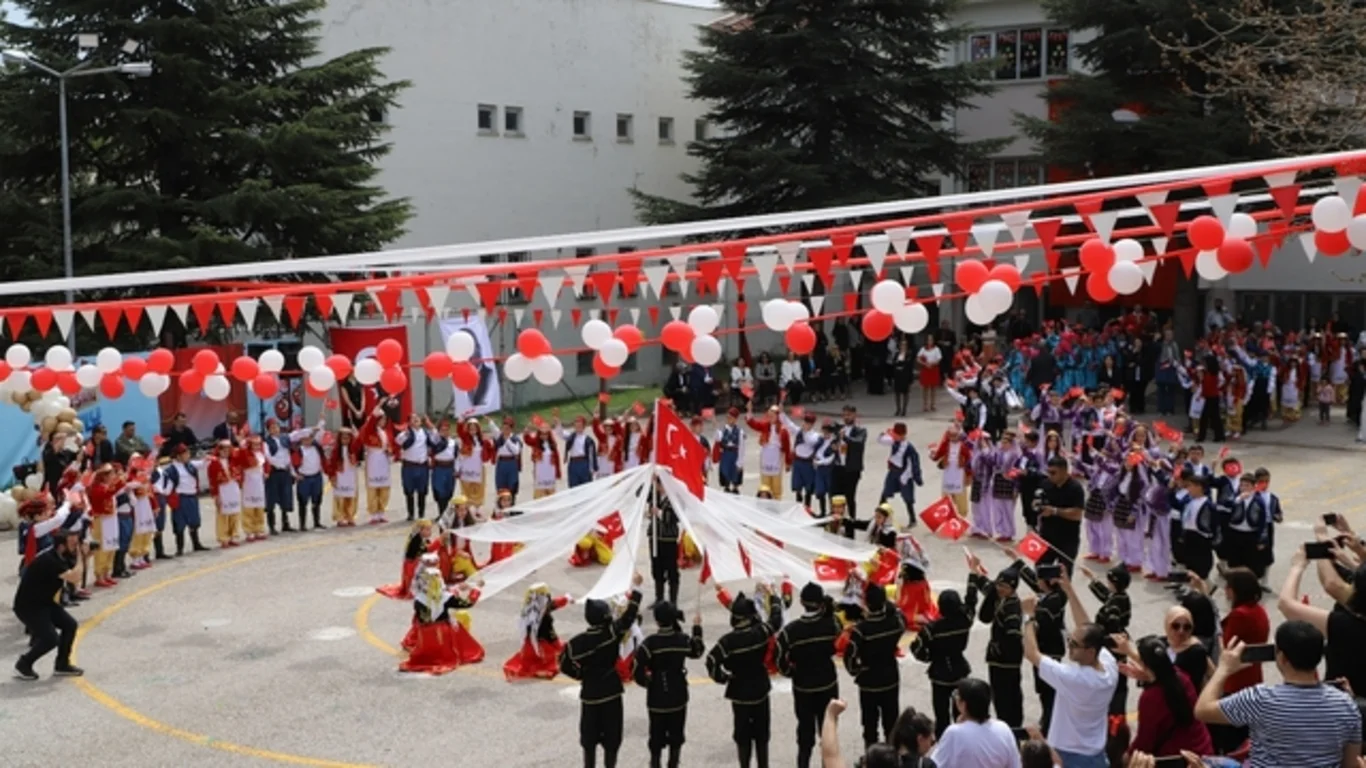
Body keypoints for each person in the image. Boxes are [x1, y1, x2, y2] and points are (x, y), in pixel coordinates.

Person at [1195, 621, 1362, 768]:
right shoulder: (1346, 705)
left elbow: (1202, 710)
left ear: (1281, 658)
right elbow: (1350, 763)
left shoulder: (1260, 698)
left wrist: (1224, 669)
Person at [1023, 572, 1118, 768]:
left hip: (1069, 756)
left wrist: (1028, 617)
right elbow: (1086, 626)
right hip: (1096, 754)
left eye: (1074, 644)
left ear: (1090, 652)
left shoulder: (1075, 678)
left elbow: (1032, 654)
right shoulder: (1109, 666)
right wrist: (1069, 589)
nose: (1069, 646)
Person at [559, 572, 644, 768]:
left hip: (589, 692)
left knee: (589, 740)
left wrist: (581, 674)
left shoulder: (576, 642)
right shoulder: (611, 633)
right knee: (612, 739)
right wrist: (637, 589)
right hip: (612, 691)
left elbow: (564, 663)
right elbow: (629, 616)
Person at [707, 588, 785, 768]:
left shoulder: (727, 641)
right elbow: (776, 620)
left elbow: (711, 662)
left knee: (742, 736)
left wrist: (724, 678)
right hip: (760, 688)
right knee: (762, 735)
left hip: (739, 691)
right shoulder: (759, 633)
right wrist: (773, 597)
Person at [632, 601, 705, 768]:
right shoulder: (682, 640)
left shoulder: (650, 643)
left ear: (657, 621)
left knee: (656, 735)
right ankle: (673, 762)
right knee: (676, 735)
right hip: (678, 692)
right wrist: (697, 629)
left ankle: (655, 763)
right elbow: (697, 651)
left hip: (657, 695)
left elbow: (637, 669)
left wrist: (647, 683)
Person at [776, 582, 842, 768]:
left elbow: (779, 659)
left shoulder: (790, 632)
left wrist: (791, 672)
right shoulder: (831, 624)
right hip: (827, 683)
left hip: (803, 686)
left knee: (805, 734)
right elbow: (839, 631)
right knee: (828, 733)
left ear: (802, 602)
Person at [1124, 635, 1213, 759]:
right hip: (1202, 751)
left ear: (1145, 665)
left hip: (1176, 759)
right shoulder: (1183, 678)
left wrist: (1128, 756)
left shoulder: (1150, 698)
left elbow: (1145, 740)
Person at [12, 529, 85, 681]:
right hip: (28, 606)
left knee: (70, 625)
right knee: (50, 639)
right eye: (72, 543)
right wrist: (81, 555)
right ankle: (24, 663)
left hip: (44, 602)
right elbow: (75, 577)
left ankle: (62, 664)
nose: (75, 546)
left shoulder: (62, 556)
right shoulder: (50, 560)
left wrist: (84, 553)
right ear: (61, 546)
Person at [845, 581, 908, 747]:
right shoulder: (895, 623)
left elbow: (849, 656)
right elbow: (902, 616)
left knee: (870, 724)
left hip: (868, 679)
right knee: (892, 721)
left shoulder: (861, 630)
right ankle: (893, 756)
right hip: (890, 676)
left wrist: (856, 671)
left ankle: (872, 757)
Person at [398, 555, 484, 675]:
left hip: (425, 635)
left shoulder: (419, 599)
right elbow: (466, 603)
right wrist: (476, 590)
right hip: (442, 632)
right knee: (458, 624)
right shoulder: (445, 597)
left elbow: (423, 618)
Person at [966, 555, 1025, 727]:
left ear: (1013, 588)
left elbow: (1013, 633)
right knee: (999, 695)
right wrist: (975, 568)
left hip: (1007, 661)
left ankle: (1010, 726)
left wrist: (1001, 647)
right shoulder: (999, 596)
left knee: (1008, 696)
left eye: (1004, 586)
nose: (999, 588)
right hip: (997, 659)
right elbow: (985, 584)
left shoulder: (1013, 607)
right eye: (999, 584)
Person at [929, 677, 1023, 767]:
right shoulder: (1003, 729)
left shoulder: (954, 733)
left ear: (963, 705)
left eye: (957, 696)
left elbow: (934, 764)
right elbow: (1015, 764)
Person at [503, 582, 572, 680]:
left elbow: (552, 605)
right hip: (542, 646)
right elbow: (551, 637)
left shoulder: (529, 610)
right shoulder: (544, 618)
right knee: (559, 656)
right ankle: (543, 670)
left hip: (528, 647)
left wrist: (565, 599)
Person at [1036, 457, 1085, 575]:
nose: (1050, 475)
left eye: (1053, 472)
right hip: (1046, 536)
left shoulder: (1075, 488)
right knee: (1040, 570)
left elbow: (1077, 514)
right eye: (1048, 472)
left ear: (1064, 471)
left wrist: (1055, 511)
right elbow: (1037, 503)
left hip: (1067, 539)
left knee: (1063, 574)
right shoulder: (1045, 484)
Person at [649, 484, 681, 606]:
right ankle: (659, 598)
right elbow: (639, 493)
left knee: (672, 569)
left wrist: (659, 513)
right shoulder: (654, 495)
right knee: (657, 568)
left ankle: (673, 600)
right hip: (655, 536)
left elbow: (674, 517)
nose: (658, 487)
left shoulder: (674, 497)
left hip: (668, 538)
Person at [292, 425, 327, 531]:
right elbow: (292, 464)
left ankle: (317, 522)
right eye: (305, 439)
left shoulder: (317, 448)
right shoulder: (298, 450)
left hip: (316, 477)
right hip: (304, 479)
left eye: (310, 438)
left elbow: (321, 430)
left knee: (317, 500)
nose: (308, 441)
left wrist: (321, 422)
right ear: (301, 439)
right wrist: (295, 475)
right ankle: (302, 524)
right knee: (302, 502)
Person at [397, 414, 431, 521]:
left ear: (420, 421)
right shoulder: (406, 433)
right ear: (410, 422)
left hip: (422, 466)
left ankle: (421, 514)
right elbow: (398, 441)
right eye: (413, 419)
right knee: (409, 491)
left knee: (422, 491)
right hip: (409, 466)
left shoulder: (425, 433)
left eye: (417, 418)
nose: (416, 420)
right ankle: (411, 513)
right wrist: (405, 434)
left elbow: (434, 441)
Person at [835, 405, 867, 519]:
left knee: (849, 497)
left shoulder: (861, 431)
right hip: (838, 467)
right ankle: (837, 519)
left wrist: (845, 438)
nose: (846, 417)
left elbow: (858, 443)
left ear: (854, 415)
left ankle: (852, 521)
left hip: (852, 469)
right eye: (844, 415)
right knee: (837, 497)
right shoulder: (839, 429)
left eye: (848, 415)